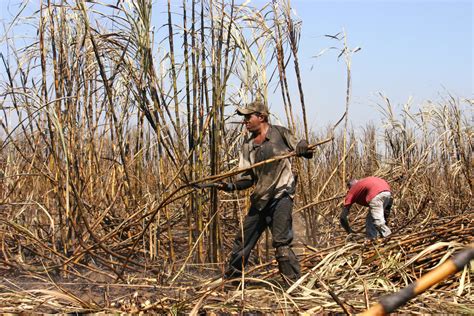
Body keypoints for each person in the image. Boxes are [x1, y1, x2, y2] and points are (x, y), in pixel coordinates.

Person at [217, 99, 312, 284]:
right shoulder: (248, 145)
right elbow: (247, 179)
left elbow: (304, 148)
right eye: (244, 117)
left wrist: (303, 146)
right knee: (242, 241)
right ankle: (231, 282)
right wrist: (229, 186)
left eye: (248, 117)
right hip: (260, 199)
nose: (245, 121)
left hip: (281, 195)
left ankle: (293, 284)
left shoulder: (280, 133)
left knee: (281, 243)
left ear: (261, 117)